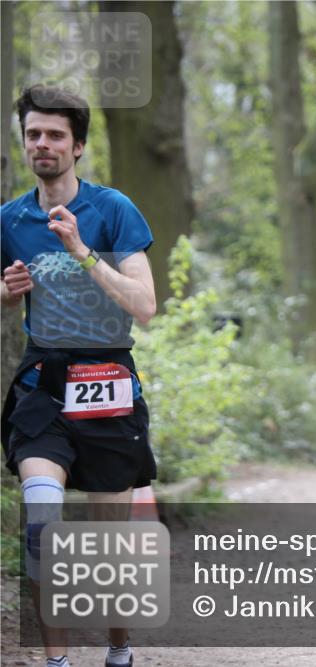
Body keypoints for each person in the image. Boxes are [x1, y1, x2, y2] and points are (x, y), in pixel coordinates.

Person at [1, 85, 157, 667]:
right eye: (33, 134)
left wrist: (84, 252)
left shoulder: (113, 209)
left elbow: (144, 305)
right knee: (42, 522)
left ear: (79, 145)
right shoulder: (9, 219)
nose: (43, 143)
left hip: (108, 379)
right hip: (43, 381)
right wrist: (4, 291)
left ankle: (119, 650)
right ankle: (57, 663)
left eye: (55, 135)